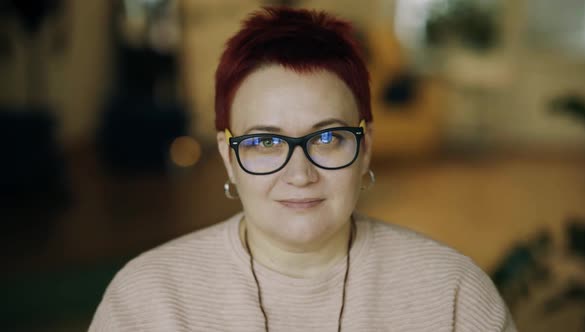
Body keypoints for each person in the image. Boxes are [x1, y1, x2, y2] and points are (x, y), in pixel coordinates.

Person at [89, 7, 517, 332]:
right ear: (228, 157)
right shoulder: (148, 300)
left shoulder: (452, 295)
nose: (299, 174)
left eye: (328, 138)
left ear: (365, 148)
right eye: (264, 142)